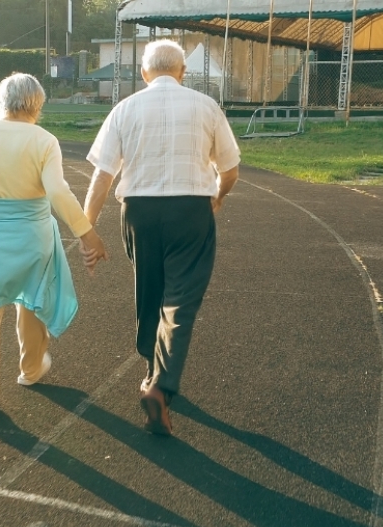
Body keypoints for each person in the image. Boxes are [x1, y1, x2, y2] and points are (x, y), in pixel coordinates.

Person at [80, 40, 240, 436]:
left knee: (150, 292)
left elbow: (103, 176)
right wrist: (218, 196)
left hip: (139, 211)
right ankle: (161, 387)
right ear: (183, 72)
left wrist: (87, 229)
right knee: (180, 301)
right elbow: (231, 168)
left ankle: (150, 367)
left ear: (144, 73)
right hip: (191, 211)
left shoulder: (125, 109)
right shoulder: (206, 107)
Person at [0, 73, 108, 414]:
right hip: (32, 236)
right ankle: (31, 369)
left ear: (1, 101)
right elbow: (56, 191)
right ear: (38, 105)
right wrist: (86, 233)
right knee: (34, 302)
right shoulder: (44, 140)